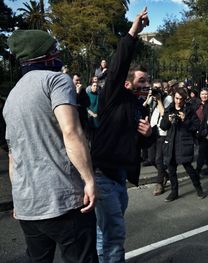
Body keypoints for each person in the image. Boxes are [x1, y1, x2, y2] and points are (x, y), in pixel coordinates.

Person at [4, 29, 97, 262]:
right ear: (44, 55)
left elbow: (13, 155)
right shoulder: (56, 79)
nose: (58, 53)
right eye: (54, 48)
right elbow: (71, 131)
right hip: (63, 199)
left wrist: (18, 198)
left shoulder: (12, 97)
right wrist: (89, 180)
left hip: (27, 205)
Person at [90, 9, 154, 262]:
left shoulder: (141, 107)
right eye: (141, 81)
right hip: (102, 176)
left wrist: (149, 134)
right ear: (126, 84)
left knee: (103, 232)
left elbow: (139, 141)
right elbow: (118, 66)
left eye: (148, 81)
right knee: (115, 236)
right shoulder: (113, 97)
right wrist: (133, 31)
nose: (146, 85)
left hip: (120, 179)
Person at [160, 87, 207, 202]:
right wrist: (168, 121)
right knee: (171, 170)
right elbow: (163, 126)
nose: (178, 101)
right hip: (171, 143)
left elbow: (196, 126)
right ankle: (174, 192)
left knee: (189, 168)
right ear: (173, 98)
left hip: (184, 143)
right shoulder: (169, 108)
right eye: (176, 98)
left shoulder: (189, 110)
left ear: (184, 99)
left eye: (181, 99)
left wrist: (185, 119)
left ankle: (198, 188)